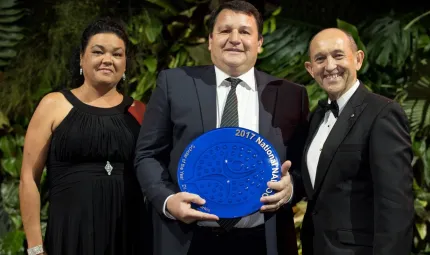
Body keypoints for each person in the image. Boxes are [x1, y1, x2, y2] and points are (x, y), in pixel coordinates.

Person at [134, 1, 309, 255]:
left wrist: (291, 187)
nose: (234, 39)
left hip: (263, 239)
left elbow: (304, 164)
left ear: (259, 42)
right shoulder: (174, 84)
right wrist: (168, 200)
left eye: (245, 32)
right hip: (189, 239)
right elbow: (147, 154)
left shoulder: (291, 95)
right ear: (210, 40)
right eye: (225, 31)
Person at [19, 17, 150, 255]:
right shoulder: (53, 104)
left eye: (117, 54)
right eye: (98, 52)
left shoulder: (140, 111)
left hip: (129, 235)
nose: (107, 60)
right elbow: (29, 177)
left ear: (125, 63)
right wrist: (35, 248)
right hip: (70, 234)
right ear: (82, 58)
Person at [300, 27, 414, 255]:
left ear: (358, 59)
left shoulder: (382, 113)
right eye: (320, 59)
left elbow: (396, 207)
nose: (330, 66)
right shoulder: (316, 117)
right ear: (311, 69)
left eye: (338, 55)